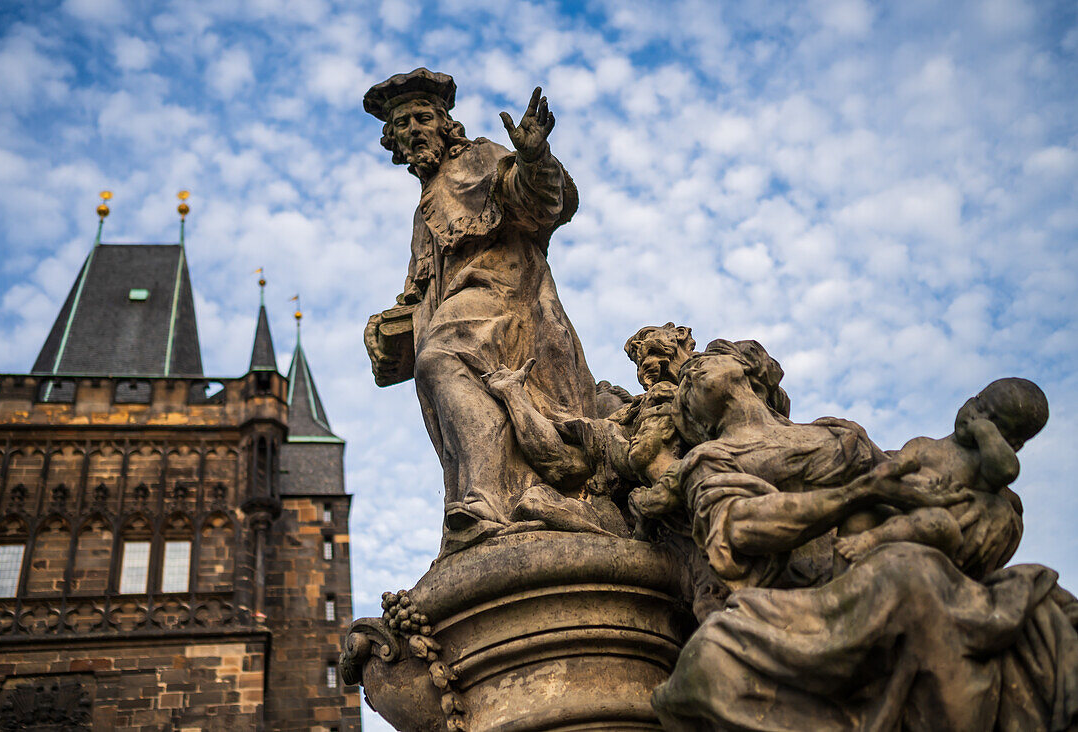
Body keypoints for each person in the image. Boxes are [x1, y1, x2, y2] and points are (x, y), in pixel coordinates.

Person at [628, 342, 1078, 731]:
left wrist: (989, 501)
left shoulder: (835, 433)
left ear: (748, 370)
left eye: (703, 363)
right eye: (683, 384)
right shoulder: (710, 459)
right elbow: (740, 525)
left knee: (1027, 602)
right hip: (810, 596)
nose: (688, 374)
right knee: (712, 661)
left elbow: (919, 480)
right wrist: (856, 494)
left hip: (891, 554)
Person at [363, 69, 597, 555]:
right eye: (402, 124)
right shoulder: (425, 203)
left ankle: (485, 500)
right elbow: (422, 287)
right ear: (393, 141)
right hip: (460, 306)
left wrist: (533, 156)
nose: (413, 130)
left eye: (423, 117)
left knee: (440, 357)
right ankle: (484, 497)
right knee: (443, 370)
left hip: (506, 294)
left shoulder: (478, 156)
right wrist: (387, 325)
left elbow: (536, 202)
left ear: (446, 123)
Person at [834, 377, 1047, 579]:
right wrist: (913, 484)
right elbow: (894, 469)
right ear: (970, 400)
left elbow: (1006, 471)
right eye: (980, 408)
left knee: (933, 522)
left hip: (933, 523)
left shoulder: (986, 468)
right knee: (858, 519)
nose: (979, 420)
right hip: (899, 503)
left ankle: (871, 540)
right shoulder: (922, 444)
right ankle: (837, 586)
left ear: (1013, 445)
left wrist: (985, 433)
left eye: (995, 424)